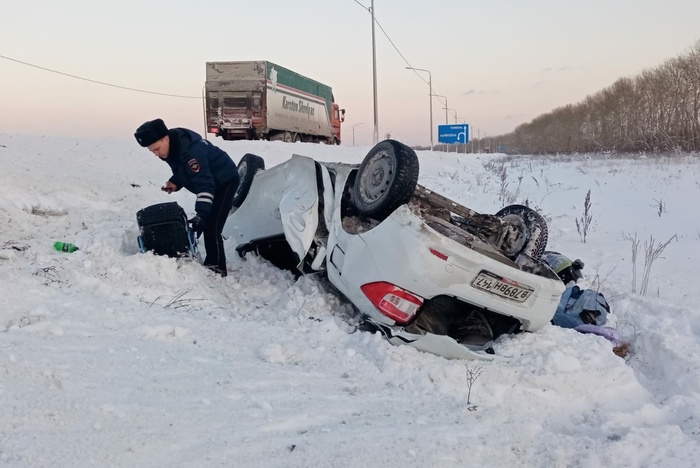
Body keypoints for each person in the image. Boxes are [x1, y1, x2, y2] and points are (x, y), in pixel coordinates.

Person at [134, 119, 239, 277]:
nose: (156, 154)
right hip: (211, 181)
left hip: (224, 181)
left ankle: (217, 268)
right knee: (207, 222)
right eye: (152, 151)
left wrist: (201, 215)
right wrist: (175, 183)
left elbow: (205, 183)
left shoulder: (190, 152)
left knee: (212, 226)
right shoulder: (172, 147)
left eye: (156, 149)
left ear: (166, 138)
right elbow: (183, 169)